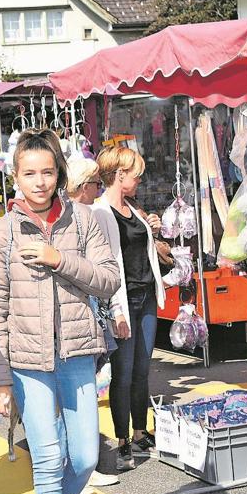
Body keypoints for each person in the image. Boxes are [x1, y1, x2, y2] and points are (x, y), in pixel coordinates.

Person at [0, 129, 119, 494]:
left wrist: (59, 258)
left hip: (78, 354)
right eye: (29, 173)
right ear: (15, 177)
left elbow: (108, 280)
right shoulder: (0, 232)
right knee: (47, 458)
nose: (39, 182)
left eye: (46, 172)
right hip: (25, 361)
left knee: (84, 456)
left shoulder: (83, 220)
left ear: (59, 172)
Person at [92, 146, 166, 472]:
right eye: (134, 173)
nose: (139, 179)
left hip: (146, 295)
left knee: (142, 368)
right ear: (119, 174)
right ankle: (122, 440)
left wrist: (154, 229)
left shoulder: (133, 208)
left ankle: (140, 430)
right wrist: (115, 311)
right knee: (121, 373)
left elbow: (144, 249)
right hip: (122, 301)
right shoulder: (99, 212)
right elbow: (102, 266)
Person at [66, 157, 121, 494]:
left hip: (91, 311)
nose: (99, 190)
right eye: (96, 184)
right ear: (83, 185)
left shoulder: (86, 215)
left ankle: (82, 467)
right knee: (73, 396)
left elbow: (105, 272)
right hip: (76, 316)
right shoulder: (75, 217)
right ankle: (75, 469)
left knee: (85, 391)